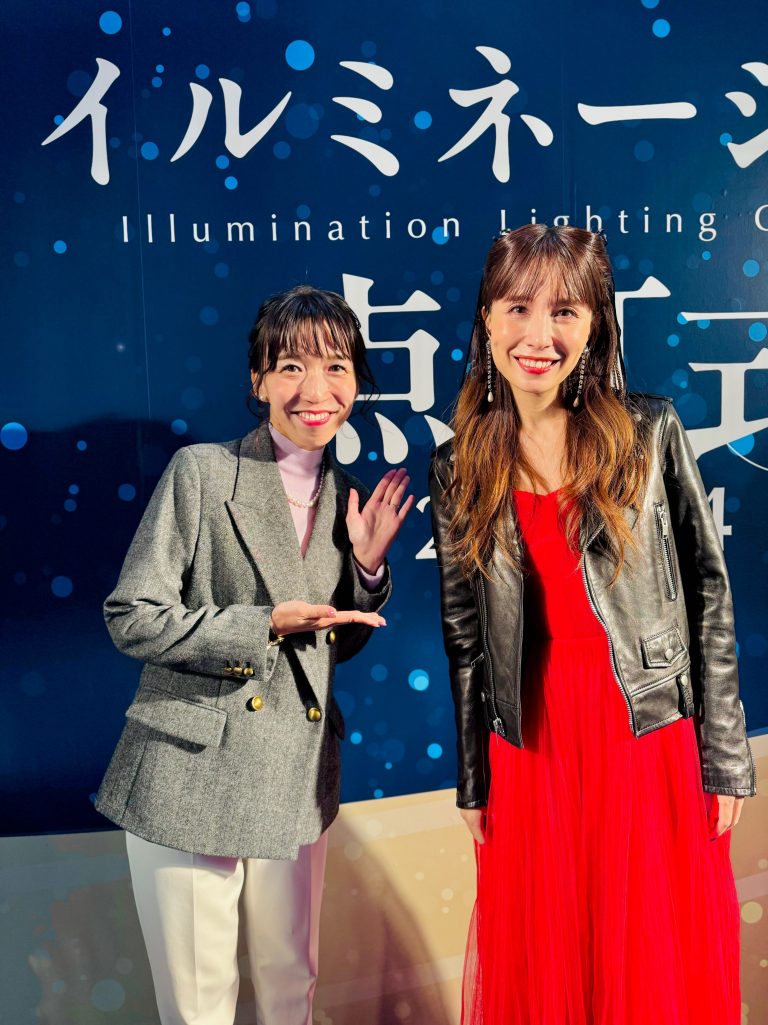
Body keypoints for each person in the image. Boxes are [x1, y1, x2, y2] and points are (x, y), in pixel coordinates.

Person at [429, 224, 755, 1025]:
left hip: (644, 731)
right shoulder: (459, 464)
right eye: (517, 308)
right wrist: (474, 778)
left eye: (564, 311)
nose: (538, 335)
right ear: (487, 319)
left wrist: (725, 754)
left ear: (596, 324)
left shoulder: (649, 431)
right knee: (550, 963)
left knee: (649, 961)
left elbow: (709, 592)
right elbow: (465, 638)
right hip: (531, 739)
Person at [96, 285, 413, 1025]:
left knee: (289, 988)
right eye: (291, 366)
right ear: (259, 380)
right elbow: (130, 617)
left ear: (357, 383)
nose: (315, 390)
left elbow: (332, 647)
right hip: (190, 768)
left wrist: (367, 568)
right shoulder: (203, 473)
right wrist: (261, 624)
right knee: (199, 1004)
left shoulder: (346, 497)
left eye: (336, 367)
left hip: (295, 775)